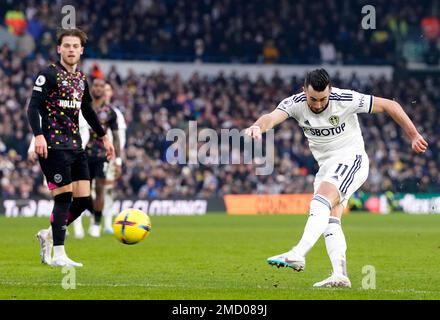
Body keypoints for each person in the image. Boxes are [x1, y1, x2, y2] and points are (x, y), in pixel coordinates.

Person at [244, 68, 428, 287]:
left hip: (351, 159)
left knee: (320, 201)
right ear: (304, 91)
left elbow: (390, 105)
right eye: (313, 99)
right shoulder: (296, 103)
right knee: (331, 217)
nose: (319, 104)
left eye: (323, 99)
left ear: (330, 91)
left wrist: (414, 134)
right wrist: (257, 126)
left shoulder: (345, 98)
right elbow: (272, 117)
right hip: (326, 167)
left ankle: (298, 253)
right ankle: (340, 274)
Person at [27, 28, 115, 267]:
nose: (71, 50)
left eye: (75, 46)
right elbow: (32, 108)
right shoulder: (48, 75)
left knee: (84, 201)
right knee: (64, 198)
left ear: (81, 50)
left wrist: (104, 137)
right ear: (59, 49)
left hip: (76, 147)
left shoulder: (81, 79)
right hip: (53, 147)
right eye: (67, 46)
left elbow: (87, 111)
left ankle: (48, 233)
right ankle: (59, 254)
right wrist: (38, 136)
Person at [72, 78, 121, 238]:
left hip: (101, 155)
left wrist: (118, 159)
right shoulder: (81, 107)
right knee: (82, 194)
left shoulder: (110, 112)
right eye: (96, 85)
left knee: (100, 189)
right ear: (91, 88)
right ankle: (86, 220)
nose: (98, 88)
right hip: (82, 154)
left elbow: (116, 137)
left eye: (102, 86)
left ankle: (96, 224)